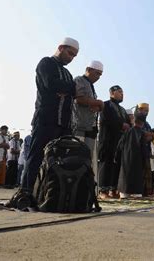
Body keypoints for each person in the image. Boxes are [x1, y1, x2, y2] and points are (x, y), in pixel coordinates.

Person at [20, 37, 79, 193]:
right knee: (36, 158)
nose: (71, 58)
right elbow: (50, 84)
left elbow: (73, 90)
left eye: (74, 56)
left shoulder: (67, 73)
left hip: (63, 124)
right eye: (70, 53)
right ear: (60, 47)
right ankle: (26, 193)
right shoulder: (46, 63)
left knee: (58, 161)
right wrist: (66, 88)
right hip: (45, 120)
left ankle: (48, 194)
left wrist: (65, 89)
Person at [72, 60, 104, 179]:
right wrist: (98, 102)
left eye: (100, 75)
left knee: (88, 160)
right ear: (88, 70)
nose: (98, 77)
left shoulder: (91, 86)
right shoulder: (79, 80)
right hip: (79, 126)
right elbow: (78, 99)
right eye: (97, 73)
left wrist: (96, 106)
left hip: (90, 128)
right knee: (77, 158)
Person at [97, 85, 131, 199]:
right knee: (105, 164)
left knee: (116, 165)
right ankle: (103, 191)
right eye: (120, 92)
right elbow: (107, 119)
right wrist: (121, 124)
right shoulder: (106, 105)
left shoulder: (122, 109)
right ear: (112, 93)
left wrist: (127, 124)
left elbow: (128, 123)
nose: (122, 94)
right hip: (107, 140)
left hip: (119, 141)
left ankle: (113, 189)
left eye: (123, 92)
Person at [116, 110, 149, 199]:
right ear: (143, 123)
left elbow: (119, 146)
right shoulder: (142, 134)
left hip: (125, 160)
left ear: (134, 120)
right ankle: (135, 192)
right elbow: (144, 150)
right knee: (136, 177)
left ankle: (123, 193)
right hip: (137, 161)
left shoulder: (127, 132)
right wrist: (146, 161)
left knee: (125, 176)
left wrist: (117, 158)